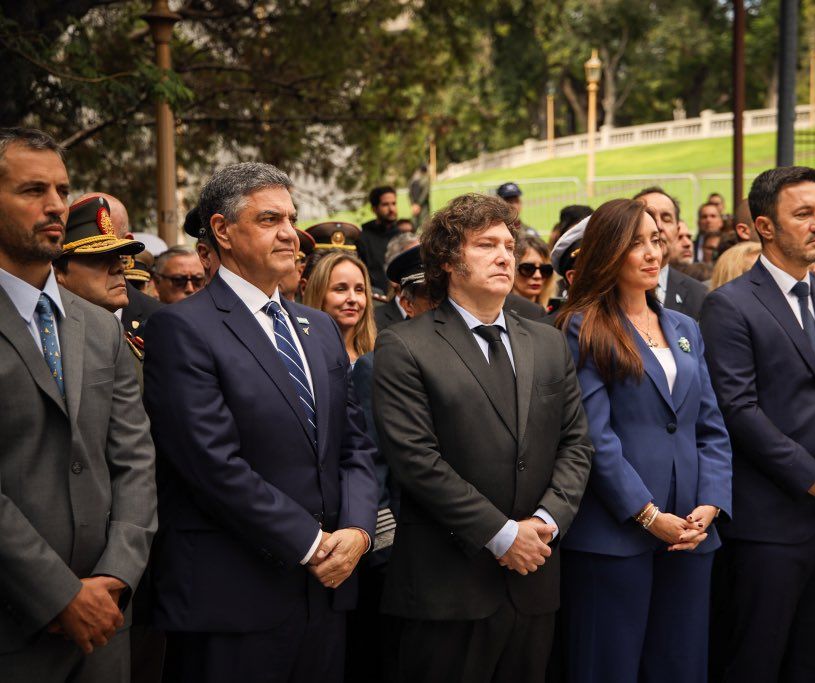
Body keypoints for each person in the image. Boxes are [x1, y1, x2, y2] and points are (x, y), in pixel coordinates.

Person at [142, 162, 378, 683]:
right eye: (270, 219)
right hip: (233, 601)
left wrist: (359, 531)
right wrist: (313, 544)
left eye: (291, 218)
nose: (290, 233)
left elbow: (355, 447)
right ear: (222, 230)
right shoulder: (181, 328)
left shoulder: (318, 328)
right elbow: (212, 465)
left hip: (326, 593)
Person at [372, 192, 592, 683]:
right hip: (448, 587)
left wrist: (545, 522)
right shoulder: (405, 345)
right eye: (486, 245)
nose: (504, 256)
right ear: (448, 261)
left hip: (535, 576)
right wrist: (502, 534)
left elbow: (576, 442)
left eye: (509, 246)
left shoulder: (547, 341)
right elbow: (415, 459)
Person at [699, 166, 815, 683]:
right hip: (770, 524)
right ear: (765, 226)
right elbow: (738, 410)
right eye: (803, 214)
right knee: (756, 662)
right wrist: (812, 476)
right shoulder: (729, 305)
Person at [0, 127, 157, 683]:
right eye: (32, 190)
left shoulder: (100, 326)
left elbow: (135, 459)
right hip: (14, 629)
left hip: (107, 625)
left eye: (62, 191)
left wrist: (116, 576)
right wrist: (59, 594)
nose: (55, 206)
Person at [555, 199, 732, 683]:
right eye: (637, 243)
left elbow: (710, 426)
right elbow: (594, 436)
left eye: (656, 239)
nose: (654, 252)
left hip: (691, 532)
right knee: (608, 667)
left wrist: (711, 502)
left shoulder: (685, 327)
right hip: (615, 533)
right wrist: (648, 515)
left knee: (681, 664)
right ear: (608, 251)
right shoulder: (581, 325)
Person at [347, 244, 434, 683]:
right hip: (405, 552)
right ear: (407, 302)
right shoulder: (376, 366)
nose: (441, 307)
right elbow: (372, 463)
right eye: (430, 297)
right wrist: (386, 549)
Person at [75, 191, 163, 336]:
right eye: (98, 257)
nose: (118, 267)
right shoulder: (50, 317)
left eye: (118, 252)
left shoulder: (161, 320)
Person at [633, 187, 708, 318]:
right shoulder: (607, 294)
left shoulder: (699, 295)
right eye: (648, 217)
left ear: (677, 230)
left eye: (666, 218)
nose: (658, 226)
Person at [302, 250, 376, 363]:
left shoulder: (378, 356)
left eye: (359, 290)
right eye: (341, 289)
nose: (353, 299)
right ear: (318, 294)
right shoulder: (301, 355)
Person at [358, 186, 400, 296]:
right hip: (376, 297)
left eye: (394, 203)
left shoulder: (402, 236)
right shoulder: (362, 239)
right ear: (374, 209)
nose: (391, 209)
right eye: (385, 204)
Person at [374, 232, 420, 332]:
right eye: (413, 266)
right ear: (393, 279)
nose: (422, 271)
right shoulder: (374, 321)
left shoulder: (443, 314)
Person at [513, 234, 556, 309]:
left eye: (545, 270)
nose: (538, 276)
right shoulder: (496, 312)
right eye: (528, 269)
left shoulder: (558, 311)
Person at [408, 164, 431, 230]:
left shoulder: (413, 179)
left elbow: (410, 192)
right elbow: (425, 193)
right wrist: (418, 204)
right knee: (425, 224)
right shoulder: (426, 179)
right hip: (423, 205)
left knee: (414, 223)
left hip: (414, 205)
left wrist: (413, 204)